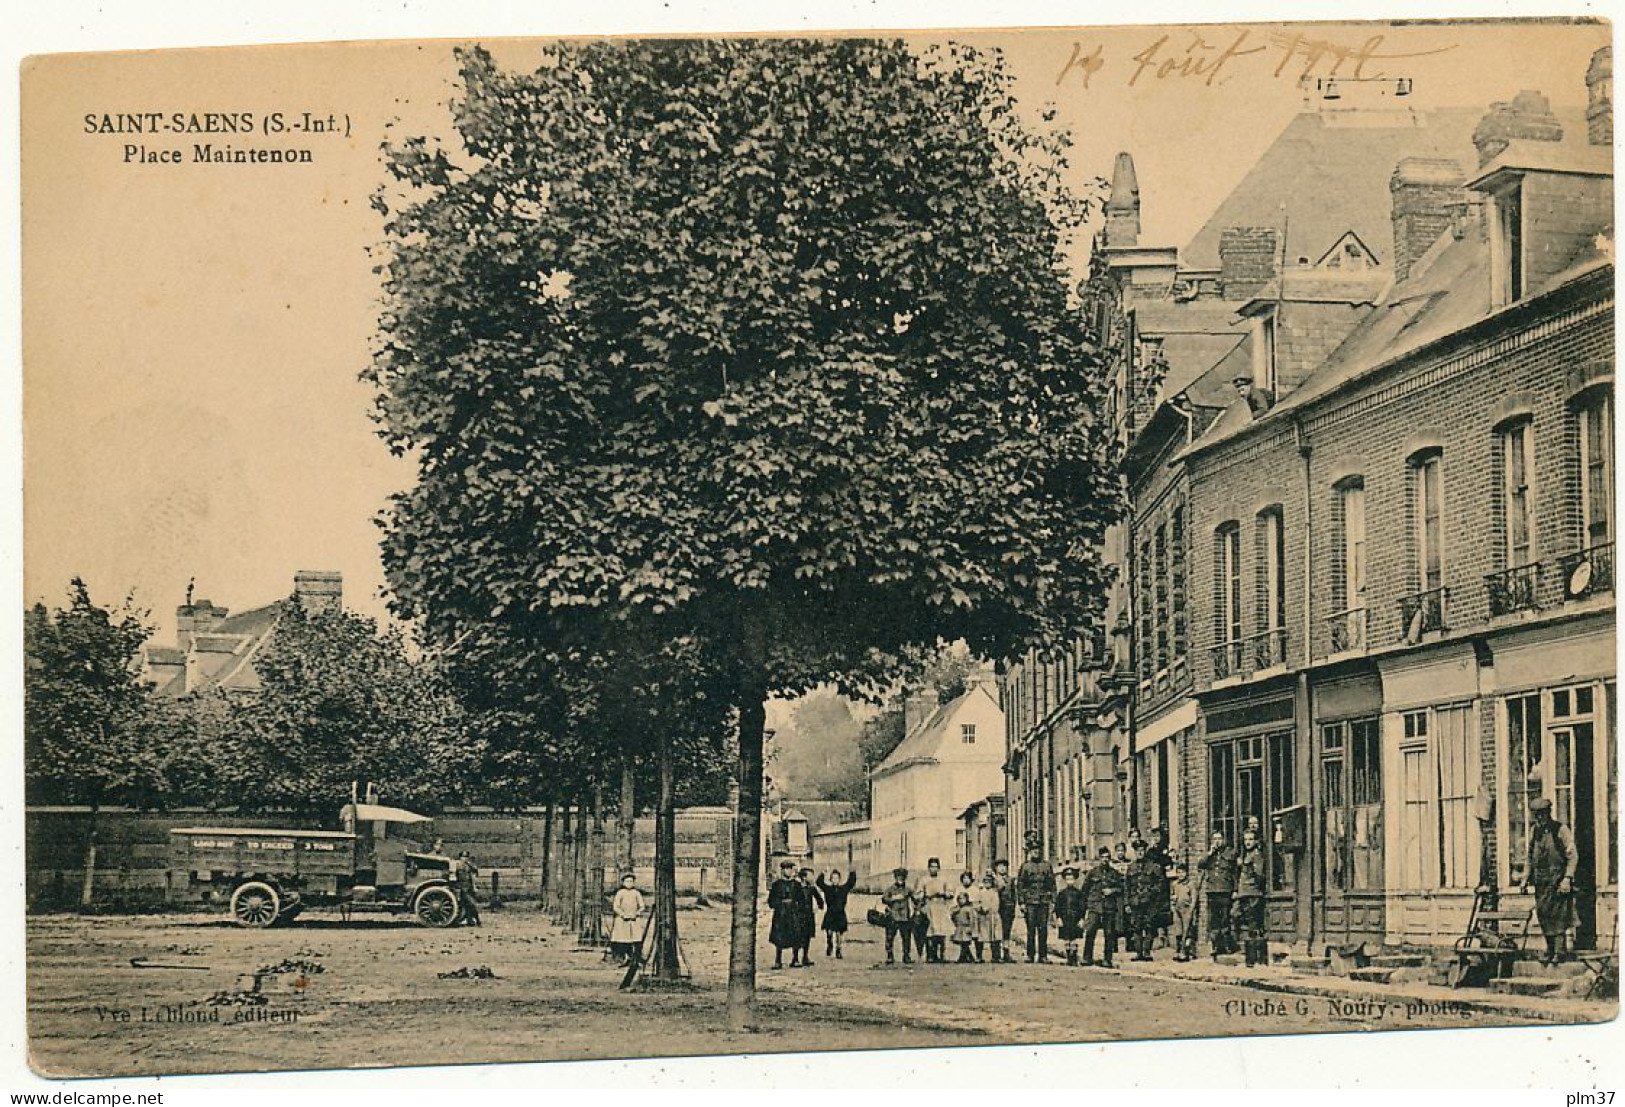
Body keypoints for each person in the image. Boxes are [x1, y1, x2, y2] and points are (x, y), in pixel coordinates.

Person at [1523, 796, 1579, 965]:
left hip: (1558, 881)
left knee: (1559, 916)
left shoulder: (1560, 830)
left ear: (1549, 813)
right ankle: (1549, 949)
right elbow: (1529, 857)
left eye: (1542, 814)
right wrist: (1525, 878)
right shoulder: (1535, 832)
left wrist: (1567, 878)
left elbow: (1572, 855)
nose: (1539, 818)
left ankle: (1560, 951)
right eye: (1536, 815)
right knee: (1544, 914)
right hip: (1541, 882)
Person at [1198, 831, 1238, 958]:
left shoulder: (1230, 853)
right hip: (1212, 892)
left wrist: (1236, 890)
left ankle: (1227, 946)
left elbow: (1235, 873)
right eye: (1215, 839)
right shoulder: (1210, 855)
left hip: (1225, 891)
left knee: (1225, 919)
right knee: (1213, 921)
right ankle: (1216, 946)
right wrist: (1209, 853)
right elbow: (1201, 865)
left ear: (1224, 840)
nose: (1217, 841)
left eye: (1219, 838)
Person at [1080, 846, 1122, 968]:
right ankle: (1087, 957)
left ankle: (1107, 959)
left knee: (1109, 934)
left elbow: (1121, 888)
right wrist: (1085, 907)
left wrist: (1112, 890)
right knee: (1090, 931)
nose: (1105, 860)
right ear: (1099, 858)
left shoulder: (1114, 874)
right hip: (1095, 907)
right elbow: (1085, 890)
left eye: (1107, 857)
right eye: (1102, 857)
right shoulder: (1092, 873)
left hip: (1109, 907)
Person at [1234, 826, 1268, 968]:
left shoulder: (1256, 855)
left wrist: (1256, 889)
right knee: (1243, 922)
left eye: (1251, 839)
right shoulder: (1246, 855)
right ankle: (1251, 958)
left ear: (1256, 841)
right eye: (1246, 839)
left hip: (1253, 893)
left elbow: (1259, 875)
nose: (1248, 842)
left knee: (1253, 926)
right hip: (1244, 893)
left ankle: (1254, 959)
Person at [1016, 845, 1057, 963]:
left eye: (1038, 850)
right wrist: (1022, 903)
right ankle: (1030, 954)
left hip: (1043, 902)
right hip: (1030, 902)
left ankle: (1043, 955)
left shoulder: (1047, 866)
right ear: (1030, 852)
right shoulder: (1025, 867)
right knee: (1031, 929)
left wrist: (1053, 901)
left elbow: (1052, 884)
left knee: (1043, 929)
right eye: (1033, 850)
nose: (1036, 852)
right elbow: (1020, 885)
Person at [1124, 841, 1164, 962]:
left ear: (1145, 851)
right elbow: (1127, 887)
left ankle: (1146, 952)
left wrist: (1152, 893)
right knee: (1136, 927)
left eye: (1142, 850)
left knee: (1149, 926)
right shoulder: (1131, 867)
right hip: (1135, 902)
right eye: (1137, 851)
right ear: (1135, 852)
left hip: (1149, 902)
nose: (1140, 853)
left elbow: (1160, 883)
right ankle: (1138, 953)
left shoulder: (1153, 866)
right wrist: (1127, 903)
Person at [913, 858, 955, 964]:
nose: (933, 869)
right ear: (928, 868)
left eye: (935, 867)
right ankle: (931, 955)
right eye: (931, 867)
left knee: (941, 930)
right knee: (930, 931)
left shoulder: (944, 879)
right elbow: (918, 894)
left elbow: (950, 892)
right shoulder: (924, 880)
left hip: (941, 906)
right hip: (929, 906)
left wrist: (945, 894)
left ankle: (942, 954)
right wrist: (923, 895)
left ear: (939, 868)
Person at [767, 859, 801, 969]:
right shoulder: (776, 885)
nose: (788, 871)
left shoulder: (796, 885)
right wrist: (779, 904)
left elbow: (801, 900)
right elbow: (771, 901)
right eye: (786, 869)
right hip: (781, 914)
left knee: (795, 935)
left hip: (793, 914)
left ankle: (795, 959)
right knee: (779, 937)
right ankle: (778, 961)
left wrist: (797, 908)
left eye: (790, 869)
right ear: (782, 870)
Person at [817, 868, 858, 960]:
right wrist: (822, 873)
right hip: (830, 913)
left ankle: (838, 950)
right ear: (831, 880)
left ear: (839, 879)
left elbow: (851, 883)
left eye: (837, 878)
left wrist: (852, 872)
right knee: (829, 932)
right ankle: (829, 944)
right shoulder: (828, 889)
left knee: (839, 933)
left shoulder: (843, 889)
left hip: (840, 914)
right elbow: (819, 883)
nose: (835, 880)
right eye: (833, 878)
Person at [1053, 866, 1088, 966]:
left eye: (1072, 879)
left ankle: (1074, 957)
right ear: (1065, 880)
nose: (1070, 881)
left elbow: (1083, 907)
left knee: (1074, 938)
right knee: (1066, 938)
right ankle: (1069, 958)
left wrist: (1082, 919)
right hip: (1065, 919)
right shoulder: (1062, 894)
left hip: (1075, 919)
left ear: (1075, 879)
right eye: (1068, 879)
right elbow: (1057, 907)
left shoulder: (1079, 894)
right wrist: (1058, 918)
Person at [880, 867, 916, 964]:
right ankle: (890, 955)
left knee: (906, 937)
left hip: (905, 917)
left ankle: (906, 955)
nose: (900, 879)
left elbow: (915, 899)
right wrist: (893, 899)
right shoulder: (890, 889)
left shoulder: (908, 889)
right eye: (898, 877)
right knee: (890, 937)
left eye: (902, 877)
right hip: (893, 916)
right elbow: (884, 899)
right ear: (895, 878)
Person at [608, 872, 644, 966]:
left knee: (635, 939)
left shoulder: (636, 893)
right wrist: (622, 914)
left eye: (631, 881)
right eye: (627, 881)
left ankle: (635, 959)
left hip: (634, 919)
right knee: (622, 939)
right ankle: (624, 957)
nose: (629, 883)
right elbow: (616, 906)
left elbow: (642, 906)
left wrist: (637, 913)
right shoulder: (620, 893)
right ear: (623, 883)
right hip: (622, 920)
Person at [794, 867, 825, 967]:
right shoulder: (796, 887)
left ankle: (805, 957)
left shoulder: (811, 888)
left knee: (807, 936)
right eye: (810, 875)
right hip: (798, 916)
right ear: (803, 877)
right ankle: (795, 958)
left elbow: (820, 900)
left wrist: (818, 907)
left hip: (809, 916)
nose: (812, 878)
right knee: (798, 937)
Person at [1168, 861, 1195, 962]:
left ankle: (1186, 952)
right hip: (1177, 909)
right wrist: (1172, 905)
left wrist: (1191, 911)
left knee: (1186, 931)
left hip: (1186, 910)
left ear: (1186, 873)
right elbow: (1172, 896)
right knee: (1178, 931)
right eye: (1179, 872)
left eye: (1183, 872)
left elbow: (1193, 899)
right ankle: (1178, 950)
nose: (1181, 875)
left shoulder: (1190, 884)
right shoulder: (1175, 884)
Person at [973, 872, 1002, 964]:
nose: (987, 883)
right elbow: (976, 903)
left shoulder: (994, 893)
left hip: (992, 917)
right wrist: (980, 908)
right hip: (982, 917)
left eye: (989, 881)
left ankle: (996, 956)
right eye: (985, 881)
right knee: (980, 937)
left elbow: (996, 905)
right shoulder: (980, 892)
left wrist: (989, 909)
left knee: (995, 936)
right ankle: (979, 956)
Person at [992, 859, 1017, 962]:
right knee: (996, 930)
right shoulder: (993, 880)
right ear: (996, 868)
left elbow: (1013, 895)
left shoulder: (1010, 880)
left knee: (1006, 931)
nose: (1002, 868)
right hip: (996, 908)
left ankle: (1006, 954)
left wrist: (1013, 906)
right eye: (1000, 866)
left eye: (1004, 866)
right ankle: (996, 955)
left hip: (1008, 908)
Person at [453, 851, 482, 927]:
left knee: (469, 905)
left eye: (466, 857)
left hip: (468, 887)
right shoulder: (457, 865)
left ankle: (472, 920)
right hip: (461, 888)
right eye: (463, 857)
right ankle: (476, 921)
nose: (464, 859)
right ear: (460, 857)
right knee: (469, 904)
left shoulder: (469, 865)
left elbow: (473, 875)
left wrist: (474, 886)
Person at [951, 892, 979, 963]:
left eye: (963, 899)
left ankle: (967, 957)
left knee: (965, 944)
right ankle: (966, 957)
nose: (961, 900)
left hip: (966, 928)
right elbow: (953, 917)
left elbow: (972, 919)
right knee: (962, 944)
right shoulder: (956, 909)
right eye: (959, 899)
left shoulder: (969, 909)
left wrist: (971, 928)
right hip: (960, 928)